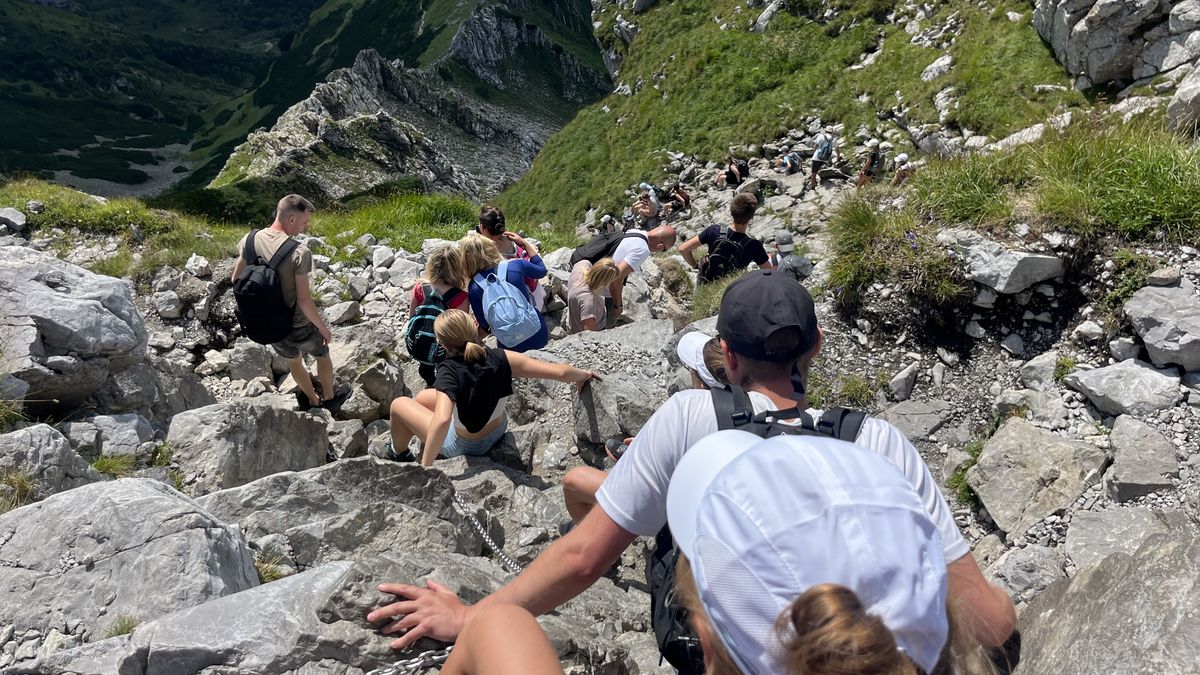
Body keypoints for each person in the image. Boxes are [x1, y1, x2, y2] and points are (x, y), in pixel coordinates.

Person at [367, 270, 1017, 660]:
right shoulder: (882, 442)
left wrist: (474, 616)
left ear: (726, 359)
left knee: (508, 622)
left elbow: (580, 559)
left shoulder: (690, 417)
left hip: (719, 653)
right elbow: (991, 620)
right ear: (815, 348)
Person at [386, 309, 599, 466]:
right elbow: (559, 372)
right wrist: (583, 375)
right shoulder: (500, 356)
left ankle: (398, 451)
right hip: (498, 428)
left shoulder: (448, 370)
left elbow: (442, 420)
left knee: (399, 404)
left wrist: (426, 466)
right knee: (424, 397)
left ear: (443, 344)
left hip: (466, 445)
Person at [231, 194, 349, 412]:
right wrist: (323, 329)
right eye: (304, 222)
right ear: (292, 219)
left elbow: (235, 280)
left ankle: (312, 399)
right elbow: (304, 301)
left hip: (268, 325)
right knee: (323, 355)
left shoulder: (248, 240)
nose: (304, 228)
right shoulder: (299, 252)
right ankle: (330, 398)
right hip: (298, 324)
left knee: (294, 361)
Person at [461, 232, 549, 352]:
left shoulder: (474, 287)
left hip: (509, 342)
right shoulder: (516, 265)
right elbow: (542, 270)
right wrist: (524, 244)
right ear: (492, 249)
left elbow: (485, 326)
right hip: (536, 330)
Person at [569, 225, 676, 321]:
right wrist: (618, 306)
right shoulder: (643, 250)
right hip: (596, 283)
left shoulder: (635, 231)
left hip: (583, 267)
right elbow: (616, 279)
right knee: (606, 322)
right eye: (664, 250)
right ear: (660, 246)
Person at [406, 244, 470, 387]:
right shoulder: (460, 297)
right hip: (445, 347)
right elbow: (460, 332)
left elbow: (411, 319)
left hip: (420, 344)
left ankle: (429, 380)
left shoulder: (420, 288)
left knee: (426, 365)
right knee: (446, 364)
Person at [680, 193, 772, 284]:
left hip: (706, 283)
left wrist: (696, 266)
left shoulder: (714, 230)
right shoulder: (753, 245)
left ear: (731, 211)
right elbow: (770, 273)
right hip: (732, 289)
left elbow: (683, 249)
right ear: (751, 217)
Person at [476, 205, 545, 310]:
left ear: (483, 228)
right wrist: (524, 243)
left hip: (508, 309)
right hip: (534, 300)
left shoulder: (483, 253)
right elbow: (542, 270)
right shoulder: (514, 243)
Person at [566, 257, 621, 333]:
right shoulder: (588, 302)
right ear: (604, 282)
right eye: (611, 282)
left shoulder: (582, 265)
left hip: (573, 316)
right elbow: (590, 337)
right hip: (581, 330)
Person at [808, 125, 840, 191]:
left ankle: (813, 186)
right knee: (823, 169)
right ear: (832, 132)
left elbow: (815, 147)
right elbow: (837, 148)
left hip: (817, 157)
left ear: (825, 131)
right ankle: (822, 179)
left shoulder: (821, 136)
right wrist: (838, 157)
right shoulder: (833, 139)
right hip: (826, 158)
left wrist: (814, 151)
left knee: (813, 173)